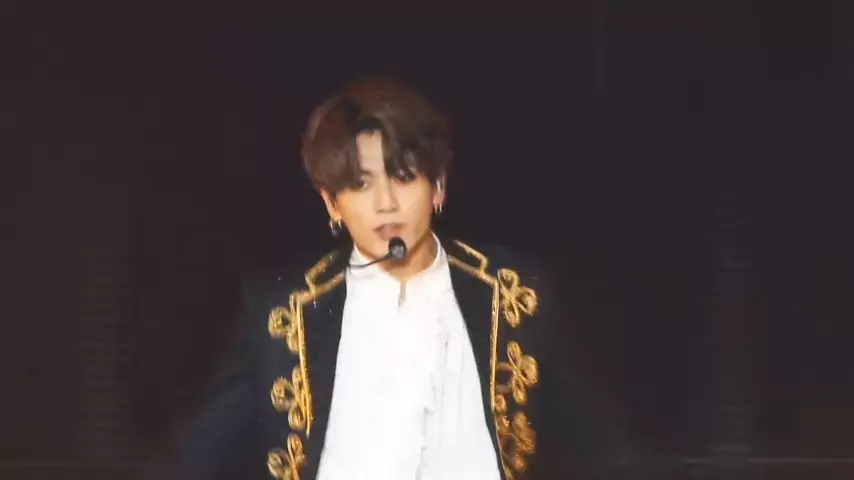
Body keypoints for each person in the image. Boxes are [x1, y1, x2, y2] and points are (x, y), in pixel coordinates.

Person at [160, 76, 630, 480]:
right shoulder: (282, 310)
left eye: (403, 177)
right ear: (331, 202)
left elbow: (600, 448)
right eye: (361, 184)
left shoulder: (514, 294)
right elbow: (196, 457)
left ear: (438, 185)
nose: (386, 204)